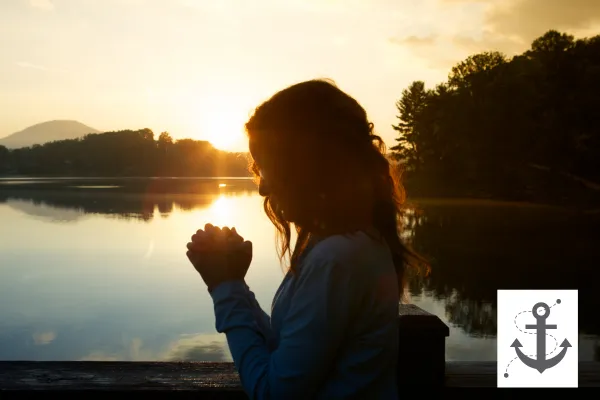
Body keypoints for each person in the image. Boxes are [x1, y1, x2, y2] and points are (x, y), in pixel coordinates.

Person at [186, 79, 425, 399]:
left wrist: (223, 289)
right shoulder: (347, 243)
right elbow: (291, 352)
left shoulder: (337, 257)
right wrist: (234, 283)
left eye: (267, 167)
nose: (262, 187)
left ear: (305, 166)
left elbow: (274, 392)